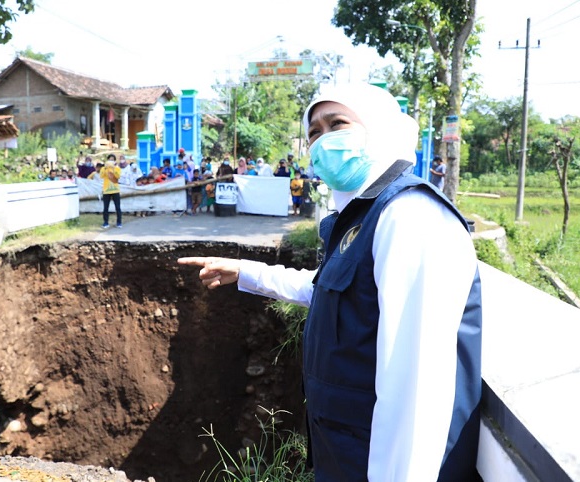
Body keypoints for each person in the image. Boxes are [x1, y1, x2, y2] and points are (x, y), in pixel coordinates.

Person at [178, 82, 482, 481]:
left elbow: (417, 389)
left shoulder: (409, 216)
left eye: (337, 124)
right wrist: (246, 272)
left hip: (384, 461)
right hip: (345, 450)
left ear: (379, 129)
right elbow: (327, 289)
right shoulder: (362, 216)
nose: (323, 141)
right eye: (314, 133)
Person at [100, 155, 122, 228]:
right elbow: (101, 176)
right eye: (110, 160)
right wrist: (106, 168)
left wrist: (114, 168)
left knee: (118, 207)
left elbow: (118, 176)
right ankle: (105, 222)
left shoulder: (117, 168)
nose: (111, 161)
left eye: (112, 160)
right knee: (105, 208)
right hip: (106, 190)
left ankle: (119, 222)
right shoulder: (104, 168)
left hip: (115, 190)